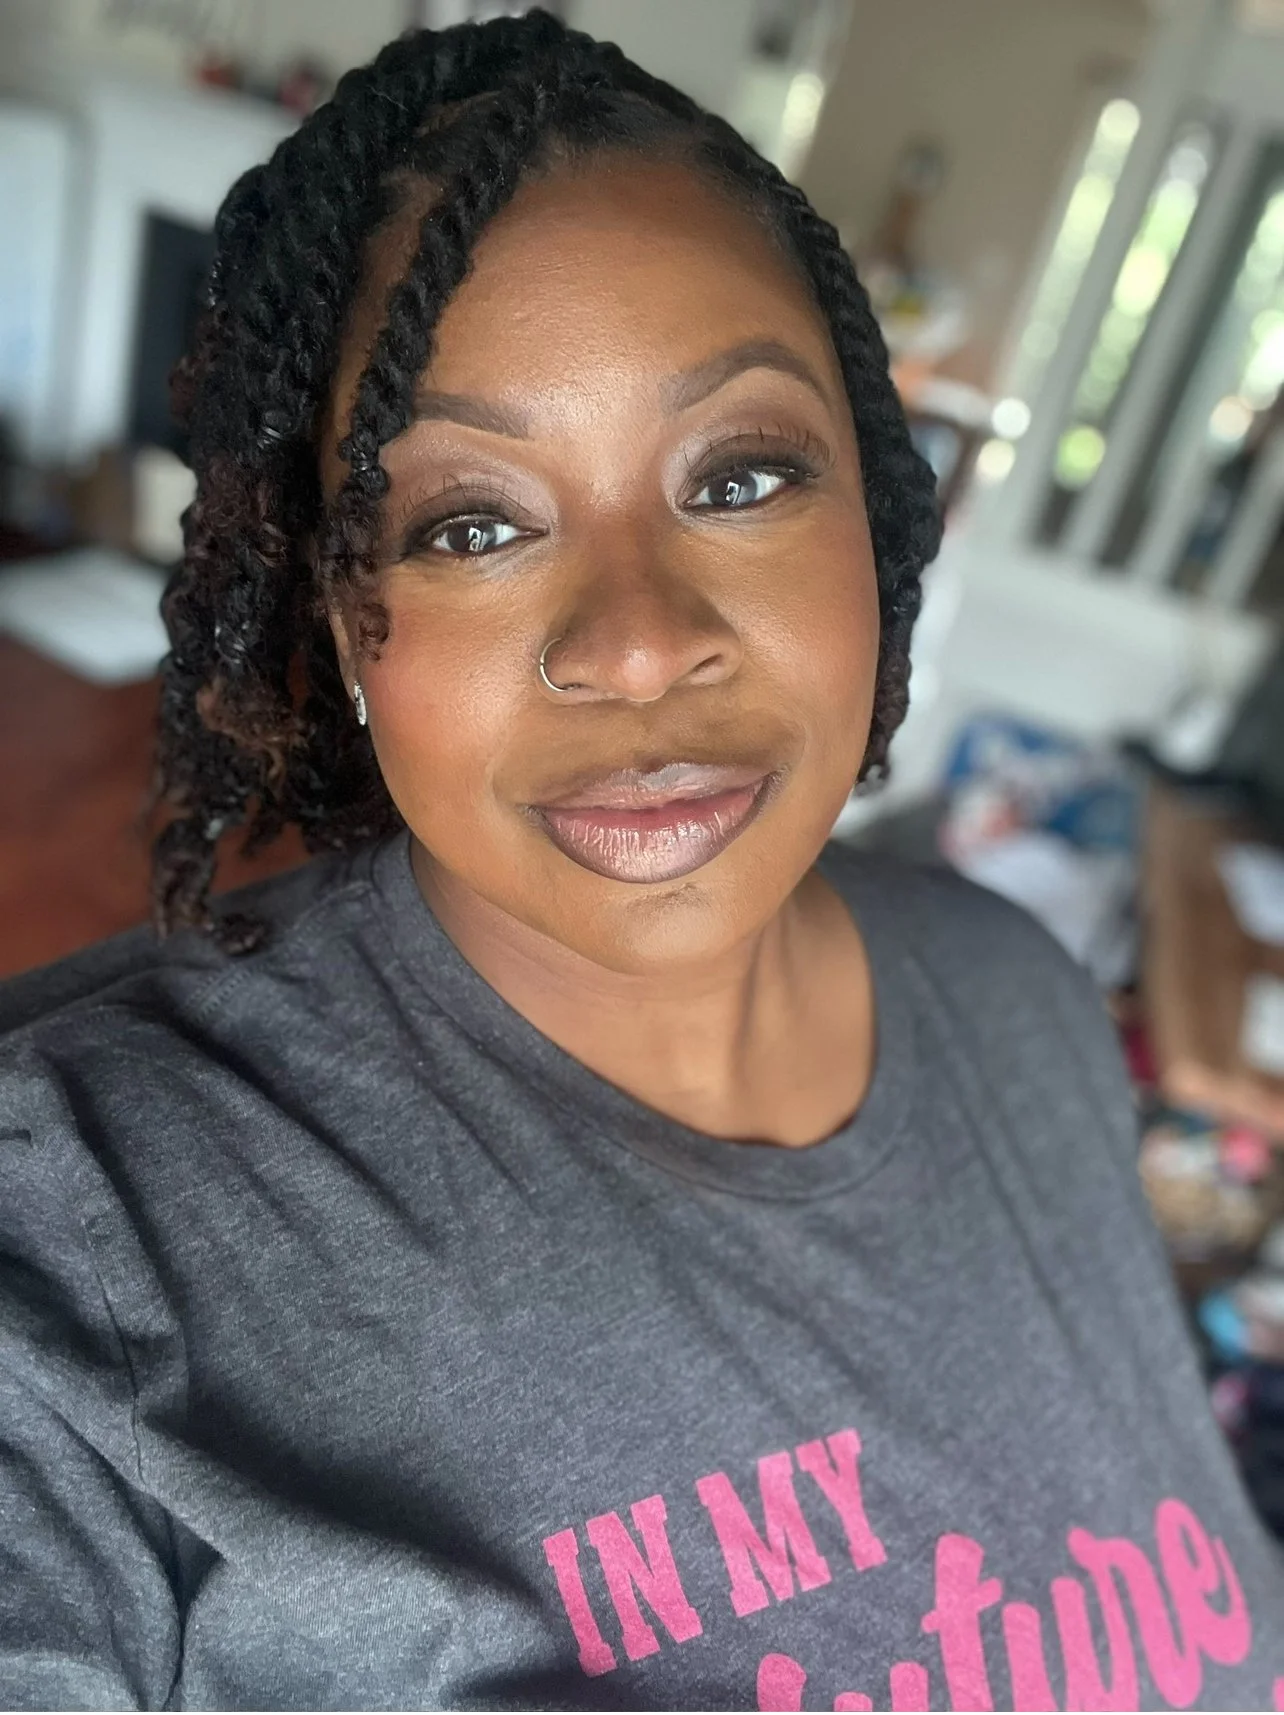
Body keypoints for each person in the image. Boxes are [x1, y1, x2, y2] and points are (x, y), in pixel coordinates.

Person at [2, 10, 1281, 1711]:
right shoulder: (78, 1232)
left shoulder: (1021, 997)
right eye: (472, 523)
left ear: (888, 529)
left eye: (740, 475)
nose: (636, 640)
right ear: (345, 626)